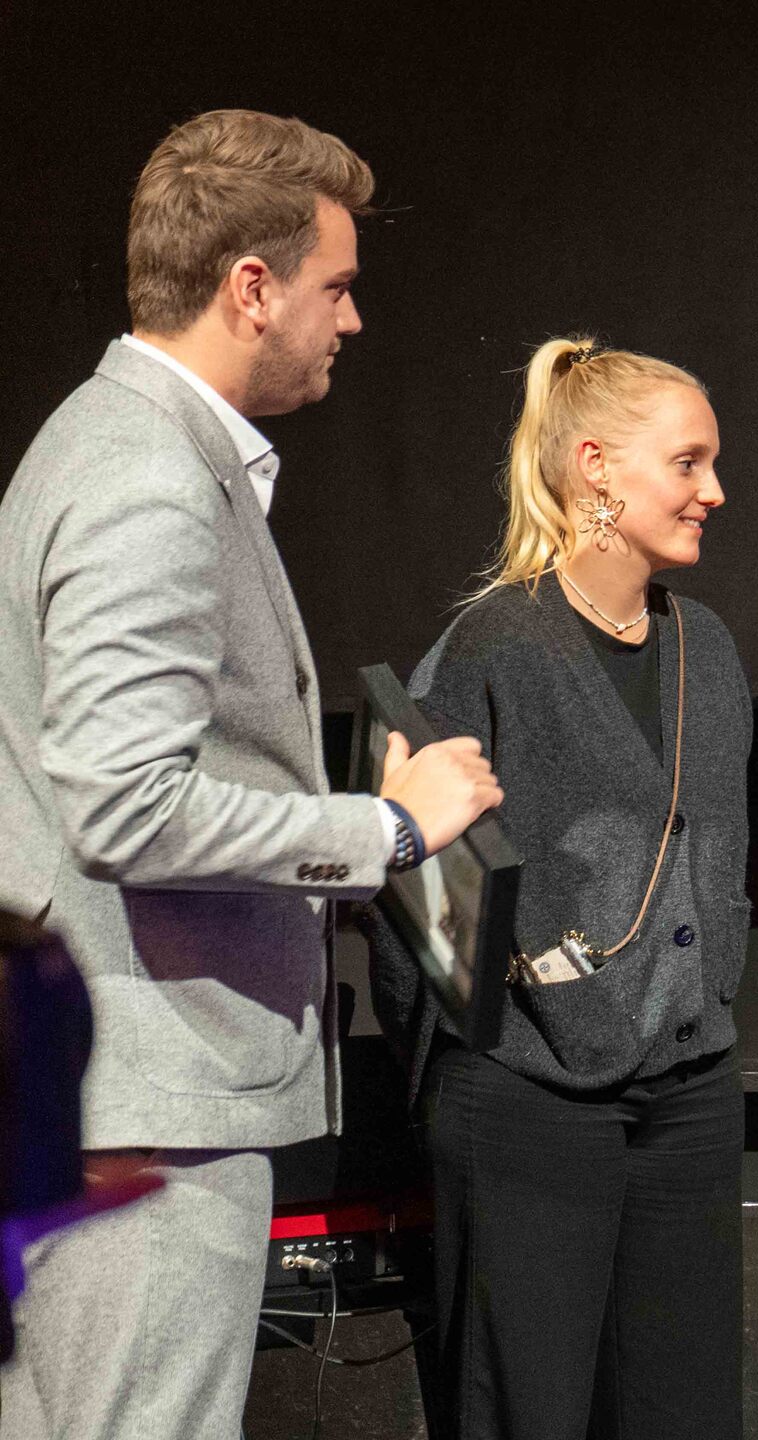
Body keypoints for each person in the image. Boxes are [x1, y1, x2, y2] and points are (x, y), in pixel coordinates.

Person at [0, 110, 501, 1440]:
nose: (352, 321)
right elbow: (125, 804)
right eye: (336, 287)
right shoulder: (148, 480)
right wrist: (388, 827)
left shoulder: (105, 440)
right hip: (144, 1097)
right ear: (251, 287)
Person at [362, 338, 754, 1439]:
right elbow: (409, 903)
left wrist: (709, 986)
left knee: (683, 1407)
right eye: (687, 464)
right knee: (528, 1407)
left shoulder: (705, 645)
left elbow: (718, 850)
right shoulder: (495, 646)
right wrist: (480, 1046)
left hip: (686, 1091)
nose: (713, 492)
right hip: (528, 1100)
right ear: (595, 468)